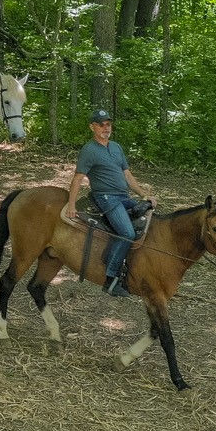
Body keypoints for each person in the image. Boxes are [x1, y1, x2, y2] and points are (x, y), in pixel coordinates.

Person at [61, 108, 154, 296]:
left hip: (123, 197)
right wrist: (71, 205)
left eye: (108, 124)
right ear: (92, 127)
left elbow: (126, 174)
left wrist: (143, 194)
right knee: (126, 232)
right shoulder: (89, 150)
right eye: (101, 124)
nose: (105, 128)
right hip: (106, 197)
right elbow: (78, 178)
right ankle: (111, 279)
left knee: (148, 214)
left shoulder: (116, 147)